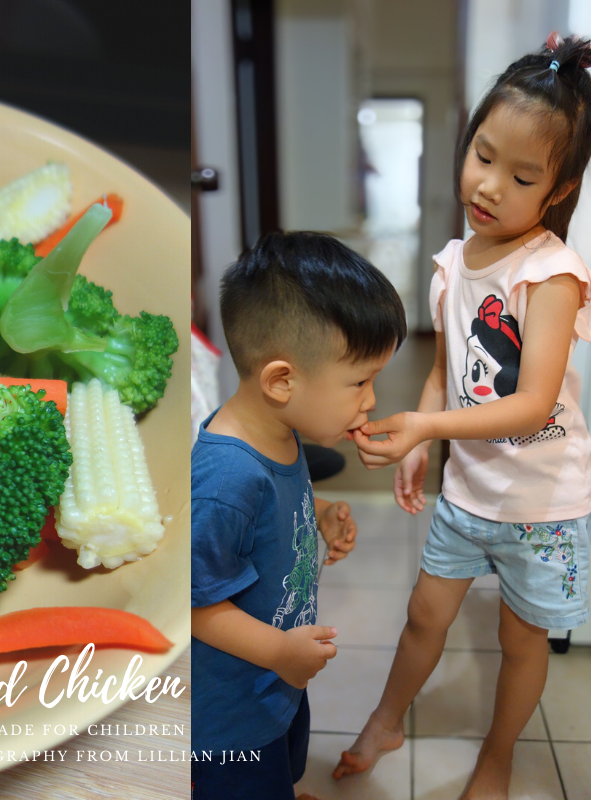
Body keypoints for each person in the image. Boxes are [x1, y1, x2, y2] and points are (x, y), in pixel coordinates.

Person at [336, 33, 591, 799]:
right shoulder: (454, 262)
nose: (488, 186)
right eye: (482, 156)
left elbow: (531, 405)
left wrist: (426, 432)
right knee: (423, 616)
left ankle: (499, 755)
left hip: (545, 504)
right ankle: (387, 720)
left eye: (520, 176)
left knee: (521, 641)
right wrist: (422, 440)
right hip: (470, 492)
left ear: (556, 191)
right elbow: (448, 371)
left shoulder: (552, 275)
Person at [191, 230, 407, 800]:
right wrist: (279, 653)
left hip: (276, 681)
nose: (370, 400)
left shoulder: (280, 432)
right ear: (281, 380)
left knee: (281, 765)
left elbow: (264, 523)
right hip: (231, 710)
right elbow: (191, 601)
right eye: (359, 381)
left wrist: (320, 516)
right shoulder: (226, 478)